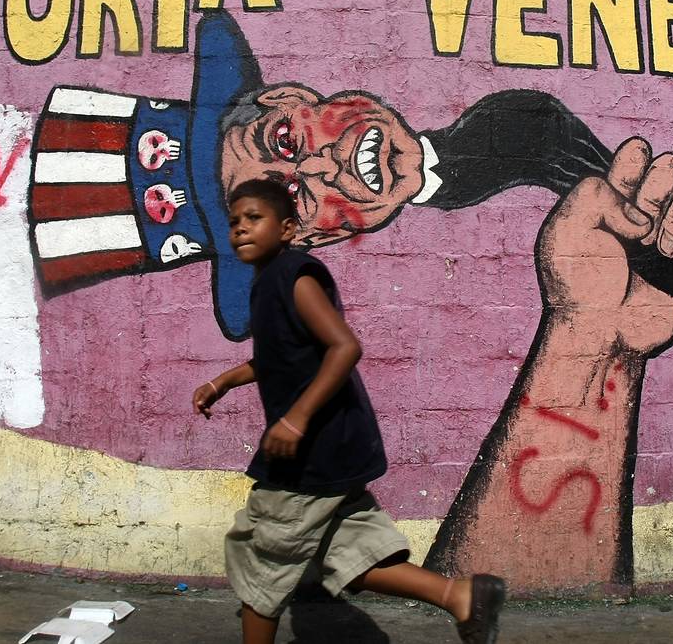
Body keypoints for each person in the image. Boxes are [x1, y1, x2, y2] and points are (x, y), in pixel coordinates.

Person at [191, 179, 507, 644]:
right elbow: (280, 356)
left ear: (287, 228)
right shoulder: (268, 283)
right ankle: (461, 596)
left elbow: (344, 347)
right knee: (349, 557)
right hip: (333, 452)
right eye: (235, 221)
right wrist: (223, 382)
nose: (240, 229)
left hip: (309, 454)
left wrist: (296, 418)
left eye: (254, 218)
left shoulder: (293, 277)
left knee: (261, 555)